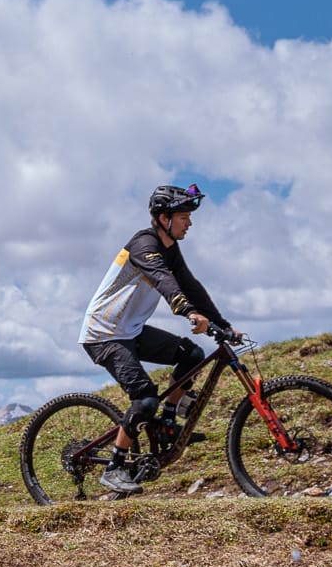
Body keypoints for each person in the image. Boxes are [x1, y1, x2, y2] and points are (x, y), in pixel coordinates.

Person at [75, 184, 241, 496]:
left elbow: (189, 285)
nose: (189, 223)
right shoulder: (143, 245)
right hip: (104, 333)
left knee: (191, 355)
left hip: (132, 330)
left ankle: (167, 423)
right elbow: (166, 282)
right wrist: (189, 313)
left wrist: (223, 324)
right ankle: (115, 468)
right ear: (163, 217)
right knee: (145, 398)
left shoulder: (170, 248)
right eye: (183, 216)